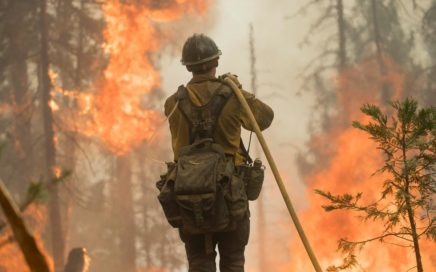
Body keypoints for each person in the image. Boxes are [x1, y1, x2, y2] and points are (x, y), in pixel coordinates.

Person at [164, 33, 274, 272]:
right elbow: (265, 118)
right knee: (233, 262)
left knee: (199, 263)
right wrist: (238, 90)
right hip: (230, 196)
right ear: (216, 63)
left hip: (189, 198)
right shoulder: (233, 97)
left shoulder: (172, 104)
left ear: (188, 67)